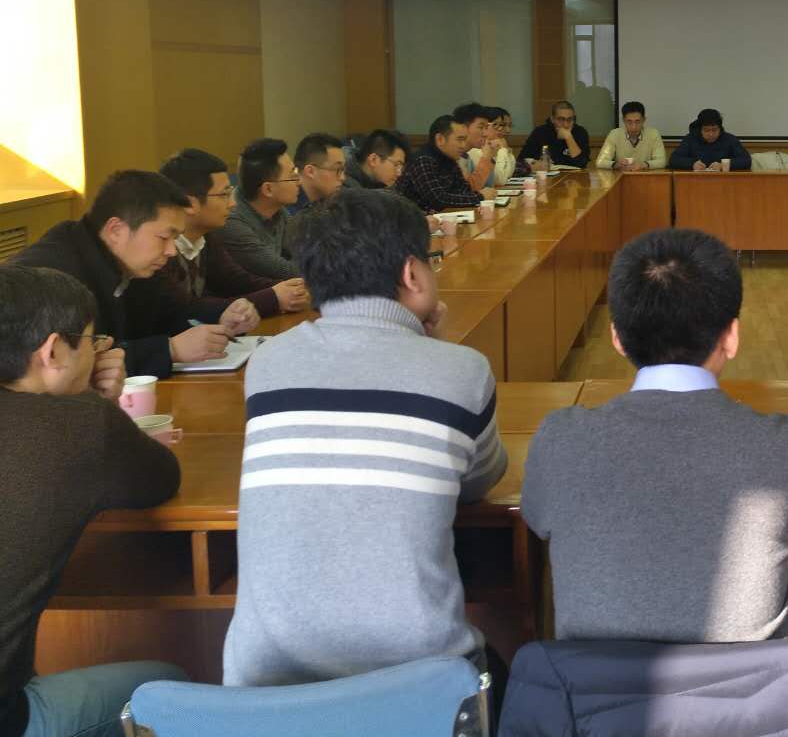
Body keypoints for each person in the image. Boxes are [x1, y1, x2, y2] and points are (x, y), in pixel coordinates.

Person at [223, 188, 508, 688]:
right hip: (417, 684)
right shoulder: (462, 370)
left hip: (267, 688)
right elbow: (480, 479)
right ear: (412, 274)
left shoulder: (267, 363)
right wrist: (432, 346)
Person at [521, 228, 788, 642]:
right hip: (745, 686)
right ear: (731, 338)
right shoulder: (786, 446)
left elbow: (538, 518)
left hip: (596, 685)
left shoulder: (561, 441)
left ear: (617, 338)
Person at [0, 265, 184, 737]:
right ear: (52, 351)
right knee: (170, 688)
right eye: (92, 340)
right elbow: (161, 480)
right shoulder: (82, 424)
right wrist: (98, 404)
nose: (100, 351)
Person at [12, 171, 229, 376]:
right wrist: (169, 349)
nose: (172, 251)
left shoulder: (134, 263)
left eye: (175, 239)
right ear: (116, 230)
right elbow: (63, 365)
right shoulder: (52, 277)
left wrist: (215, 323)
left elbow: (172, 315)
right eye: (164, 238)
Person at [155, 148, 309, 327]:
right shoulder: (159, 250)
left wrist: (291, 289)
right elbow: (187, 307)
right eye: (224, 194)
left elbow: (235, 280)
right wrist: (274, 296)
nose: (232, 203)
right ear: (189, 203)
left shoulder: (207, 237)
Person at [215, 138, 302, 281]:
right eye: (293, 176)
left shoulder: (278, 210)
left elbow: (305, 250)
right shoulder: (232, 222)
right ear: (268, 189)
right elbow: (283, 271)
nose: (300, 181)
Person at [394, 115, 483, 213]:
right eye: (459, 139)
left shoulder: (450, 159)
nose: (463, 145)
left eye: (465, 140)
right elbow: (438, 200)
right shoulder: (423, 160)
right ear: (440, 139)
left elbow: (465, 191)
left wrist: (474, 197)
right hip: (412, 219)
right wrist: (480, 197)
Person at [667, 108, 752, 172]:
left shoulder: (730, 139)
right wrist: (692, 164)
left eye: (714, 130)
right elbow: (674, 159)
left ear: (720, 128)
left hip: (723, 181)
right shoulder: (690, 139)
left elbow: (746, 160)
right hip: (696, 181)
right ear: (700, 129)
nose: (711, 134)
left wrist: (723, 165)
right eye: (706, 130)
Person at [596, 101, 667, 171]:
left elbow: (662, 161)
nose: (633, 127)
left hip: (645, 176)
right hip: (621, 176)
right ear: (623, 120)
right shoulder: (614, 134)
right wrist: (617, 164)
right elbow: (600, 162)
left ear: (644, 120)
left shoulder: (653, 134)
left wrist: (643, 165)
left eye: (637, 121)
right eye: (629, 122)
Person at [519, 100, 591, 169]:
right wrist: (535, 164)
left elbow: (582, 164)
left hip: (574, 176)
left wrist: (569, 137)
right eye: (561, 119)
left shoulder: (580, 132)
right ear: (552, 119)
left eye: (569, 120)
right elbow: (521, 161)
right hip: (547, 174)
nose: (565, 125)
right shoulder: (540, 132)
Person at [290, 132, 347, 216]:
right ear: (310, 171)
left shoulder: (330, 202)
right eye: (337, 169)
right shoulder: (289, 213)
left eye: (343, 170)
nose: (343, 178)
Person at [458, 103, 505, 188]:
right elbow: (469, 188)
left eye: (486, 128)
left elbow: (488, 184)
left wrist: (491, 157)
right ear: (463, 128)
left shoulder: (466, 156)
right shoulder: (455, 157)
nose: (485, 134)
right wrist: (486, 157)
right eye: (481, 127)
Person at [491, 108, 518, 186]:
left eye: (510, 126)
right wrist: (503, 150)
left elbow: (509, 174)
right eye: (496, 125)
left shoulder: (499, 143)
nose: (508, 130)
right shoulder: (477, 149)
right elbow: (500, 180)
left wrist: (506, 151)